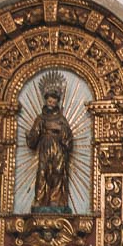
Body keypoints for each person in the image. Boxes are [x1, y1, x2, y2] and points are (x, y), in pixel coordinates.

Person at [26, 73, 74, 212]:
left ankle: (55, 200)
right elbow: (34, 135)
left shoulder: (61, 119)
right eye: (49, 101)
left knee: (58, 172)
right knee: (42, 173)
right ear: (45, 101)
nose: (51, 104)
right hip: (45, 147)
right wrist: (30, 138)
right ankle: (40, 200)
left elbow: (68, 137)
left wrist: (62, 135)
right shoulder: (40, 118)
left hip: (58, 148)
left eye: (54, 102)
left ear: (57, 102)